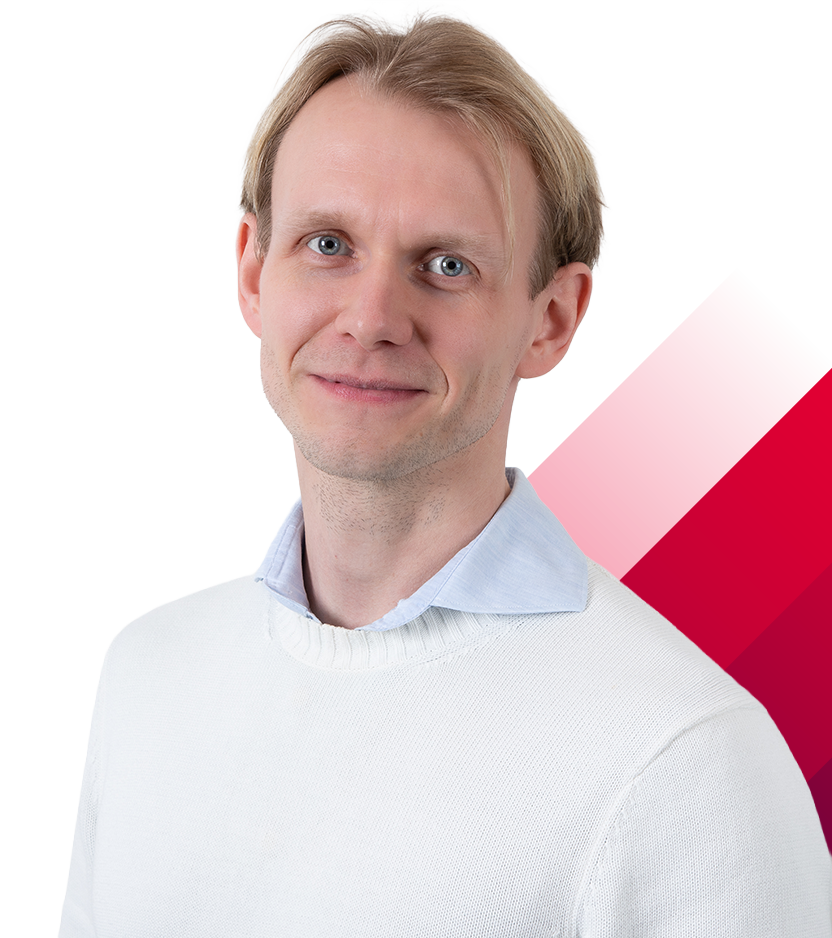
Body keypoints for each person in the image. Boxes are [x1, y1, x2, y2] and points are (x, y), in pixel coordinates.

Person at [59, 5, 831, 936]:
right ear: (253, 271)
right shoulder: (147, 672)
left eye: (447, 265)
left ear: (553, 319)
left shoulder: (686, 761)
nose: (371, 318)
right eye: (328, 245)